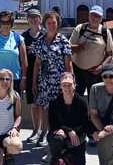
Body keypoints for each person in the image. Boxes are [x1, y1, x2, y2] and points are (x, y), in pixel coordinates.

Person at [31, 11, 73, 147]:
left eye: (54, 22)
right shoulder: (40, 41)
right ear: (44, 24)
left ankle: (54, 134)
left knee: (55, 109)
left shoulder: (63, 41)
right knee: (43, 107)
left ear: (58, 23)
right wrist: (34, 82)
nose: (51, 25)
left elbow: (68, 63)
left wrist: (70, 80)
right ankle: (44, 133)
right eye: (49, 23)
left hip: (59, 81)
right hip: (44, 80)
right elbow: (37, 63)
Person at [70, 5, 113, 97]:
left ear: (101, 18)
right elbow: (68, 48)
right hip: (78, 71)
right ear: (89, 16)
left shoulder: (105, 32)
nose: (95, 18)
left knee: (94, 100)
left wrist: (101, 67)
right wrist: (79, 47)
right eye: (93, 15)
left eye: (97, 16)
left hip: (95, 73)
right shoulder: (80, 28)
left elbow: (110, 54)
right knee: (76, 99)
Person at [47, 72, 90, 165]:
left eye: (69, 84)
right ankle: (55, 159)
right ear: (60, 86)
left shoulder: (82, 102)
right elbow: (53, 123)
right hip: (60, 133)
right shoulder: (54, 102)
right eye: (64, 85)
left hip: (78, 133)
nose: (67, 87)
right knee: (57, 139)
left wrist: (73, 132)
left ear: (75, 85)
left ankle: (68, 157)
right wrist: (68, 131)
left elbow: (85, 123)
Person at [22, 8, 45, 144]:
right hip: (30, 73)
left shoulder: (45, 34)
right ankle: (35, 130)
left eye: (36, 17)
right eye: (31, 17)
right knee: (33, 104)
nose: (33, 19)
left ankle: (43, 131)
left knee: (42, 104)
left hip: (44, 73)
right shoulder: (24, 36)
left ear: (40, 19)